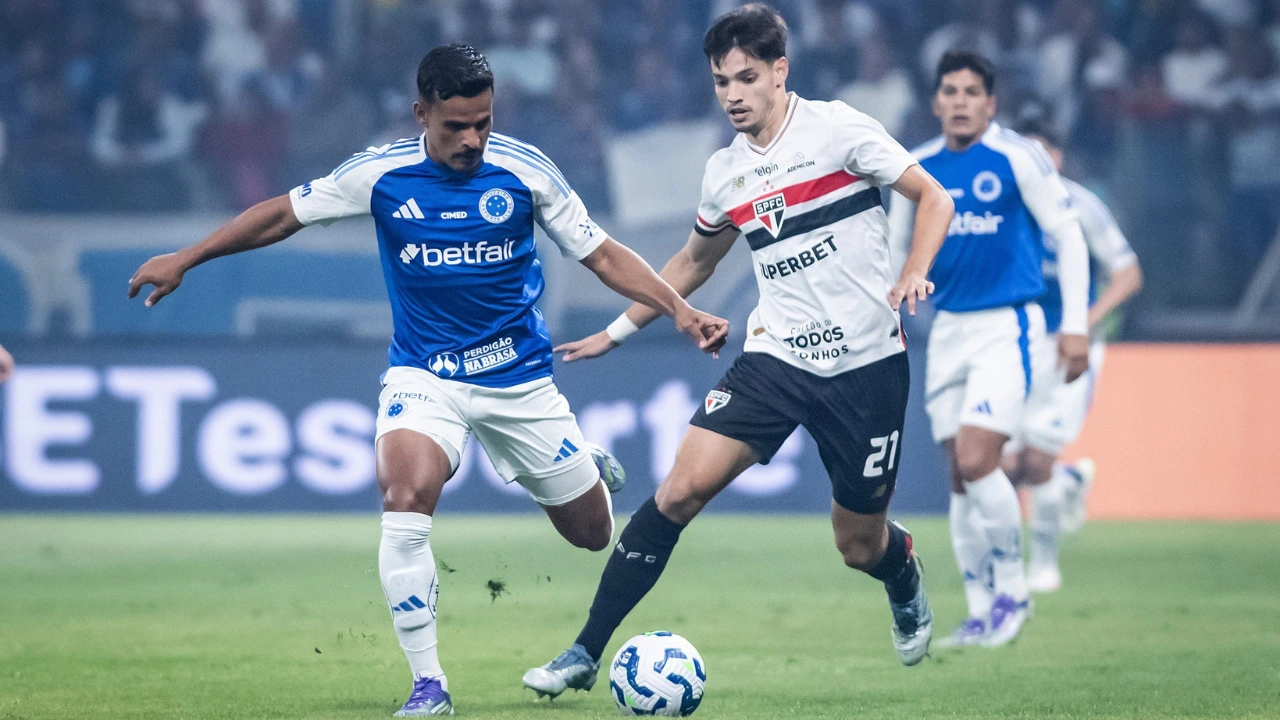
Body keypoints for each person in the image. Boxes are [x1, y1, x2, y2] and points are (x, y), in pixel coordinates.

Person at [127, 44, 728, 717]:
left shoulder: (527, 173)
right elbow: (279, 215)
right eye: (456, 126)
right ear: (421, 113)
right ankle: (429, 686)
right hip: (425, 375)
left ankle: (578, 464)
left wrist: (677, 308)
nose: (473, 139)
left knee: (591, 533)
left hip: (519, 380)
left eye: (484, 124)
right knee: (405, 498)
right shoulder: (380, 174)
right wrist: (188, 256)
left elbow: (602, 254)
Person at [522, 4, 955, 699]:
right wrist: (619, 330)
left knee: (857, 545)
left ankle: (899, 564)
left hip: (866, 368)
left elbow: (932, 197)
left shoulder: (838, 130)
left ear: (780, 71)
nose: (732, 94)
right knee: (678, 491)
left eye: (746, 78)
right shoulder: (725, 173)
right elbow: (693, 262)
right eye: (721, 81)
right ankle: (583, 652)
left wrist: (913, 270)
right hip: (775, 359)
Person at [889, 51, 1091, 648]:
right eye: (948, 90)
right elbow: (896, 251)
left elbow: (1068, 234)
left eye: (971, 91)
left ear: (990, 103)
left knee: (979, 459)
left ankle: (1013, 594)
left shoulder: (1017, 157)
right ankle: (979, 611)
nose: (958, 101)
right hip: (946, 330)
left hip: (1009, 326)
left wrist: (1075, 323)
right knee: (959, 475)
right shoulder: (917, 169)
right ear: (935, 102)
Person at [1004, 116, 1143, 592]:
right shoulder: (1001, 207)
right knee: (1006, 467)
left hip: (1069, 344)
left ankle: (1043, 565)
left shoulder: (1083, 206)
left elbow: (1127, 273)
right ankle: (1069, 482)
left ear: (1059, 159)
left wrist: (1086, 319)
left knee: (1035, 462)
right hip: (1011, 342)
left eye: (1043, 154)